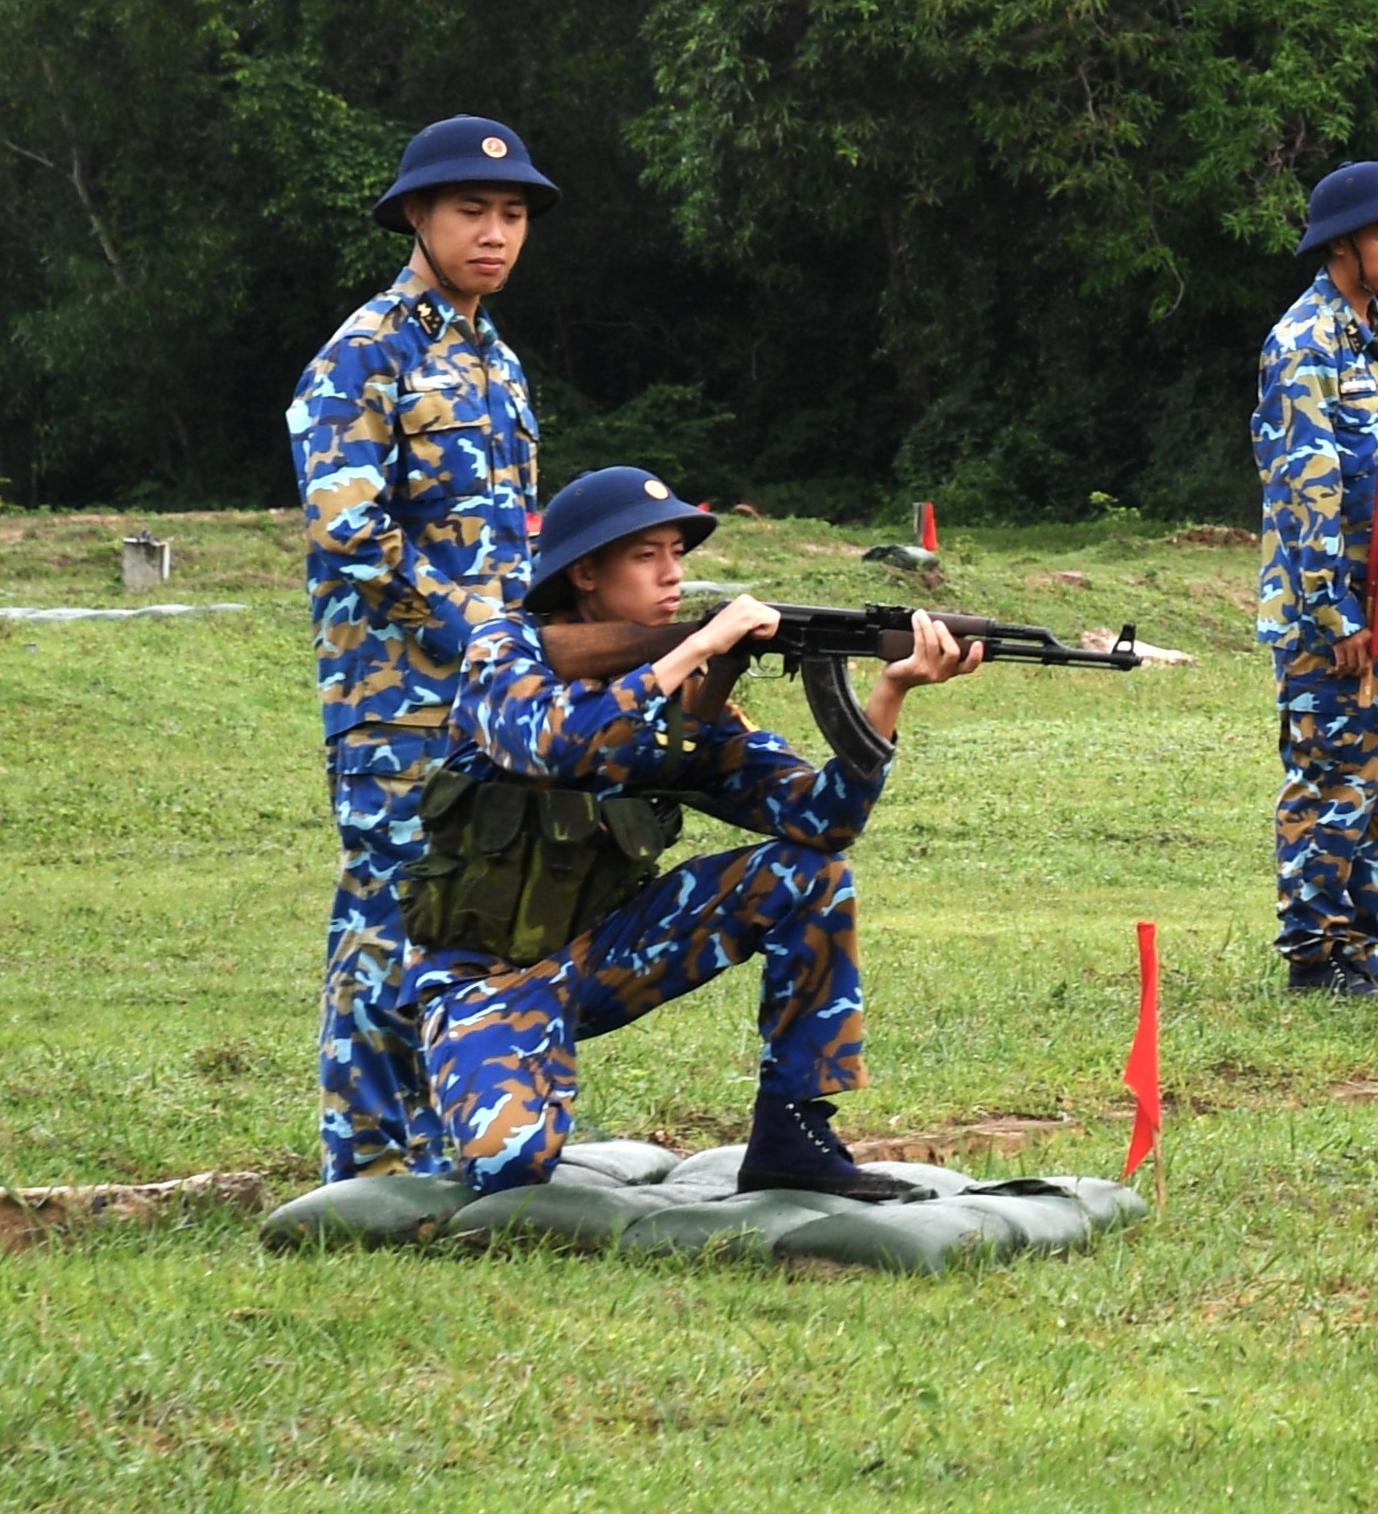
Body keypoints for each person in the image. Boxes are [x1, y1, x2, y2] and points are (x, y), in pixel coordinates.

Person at [411, 465, 981, 1203]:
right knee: (510, 1172)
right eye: (647, 555)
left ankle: (792, 1134)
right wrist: (690, 649)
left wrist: (889, 693)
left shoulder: (689, 704)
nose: (674, 574)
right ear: (584, 571)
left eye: (679, 552)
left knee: (809, 874)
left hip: (601, 955)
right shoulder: (506, 653)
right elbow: (555, 744)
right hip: (484, 978)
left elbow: (823, 821)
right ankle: (458, 1072)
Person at [287, 115, 554, 1181]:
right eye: (471, 211)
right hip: (396, 700)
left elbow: (520, 539)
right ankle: (364, 1160)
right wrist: (471, 621)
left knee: (472, 911)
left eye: (513, 214)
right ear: (416, 217)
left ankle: (452, 1141)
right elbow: (348, 531)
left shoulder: (499, 365)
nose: (494, 233)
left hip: (494, 698)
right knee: (387, 914)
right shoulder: (365, 353)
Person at [1257, 162, 1378, 996]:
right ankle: (1313, 957)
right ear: (1342, 242)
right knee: (1335, 778)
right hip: (1331, 617)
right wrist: (1337, 617)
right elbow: (1306, 493)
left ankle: (1360, 949)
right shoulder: (1302, 343)